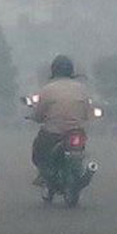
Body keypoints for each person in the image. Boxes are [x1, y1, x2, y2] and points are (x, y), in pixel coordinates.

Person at [31, 55, 92, 184]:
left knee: (39, 149)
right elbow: (88, 114)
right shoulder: (82, 89)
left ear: (54, 70)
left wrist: (36, 118)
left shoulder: (48, 89)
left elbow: (39, 114)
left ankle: (44, 174)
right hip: (77, 132)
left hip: (53, 133)